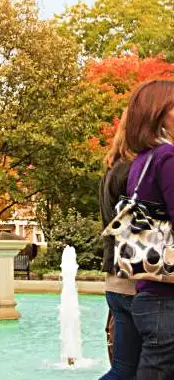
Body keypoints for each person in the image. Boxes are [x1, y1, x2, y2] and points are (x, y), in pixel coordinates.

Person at [125, 79, 174, 380]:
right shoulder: (167, 157)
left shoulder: (141, 161)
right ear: (159, 115)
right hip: (166, 298)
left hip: (149, 292)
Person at [99, 109, 140, 380]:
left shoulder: (113, 169)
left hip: (116, 281)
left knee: (124, 370)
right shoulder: (136, 171)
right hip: (138, 281)